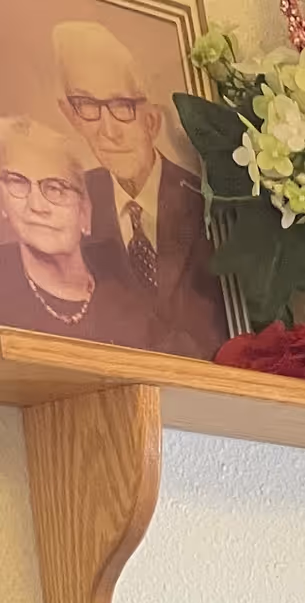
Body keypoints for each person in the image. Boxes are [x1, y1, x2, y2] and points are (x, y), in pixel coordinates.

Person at [53, 17, 228, 356]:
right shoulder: (66, 207)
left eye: (121, 106)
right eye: (87, 106)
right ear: (72, 116)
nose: (108, 131)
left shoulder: (209, 201)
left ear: (152, 119)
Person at [0, 116, 157, 344]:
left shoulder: (128, 299)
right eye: (18, 182)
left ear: (85, 210)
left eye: (56, 188)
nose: (36, 206)